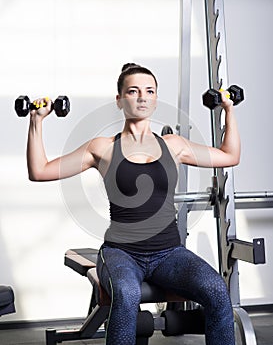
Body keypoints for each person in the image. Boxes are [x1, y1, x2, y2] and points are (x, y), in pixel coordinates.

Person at [27, 63, 240, 345]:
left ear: (155, 99)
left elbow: (229, 156)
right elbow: (40, 171)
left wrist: (229, 110)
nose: (142, 96)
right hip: (121, 253)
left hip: (169, 254)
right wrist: (36, 121)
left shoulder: (173, 145)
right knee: (127, 294)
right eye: (133, 91)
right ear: (120, 99)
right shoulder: (102, 148)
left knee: (216, 290)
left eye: (149, 91)